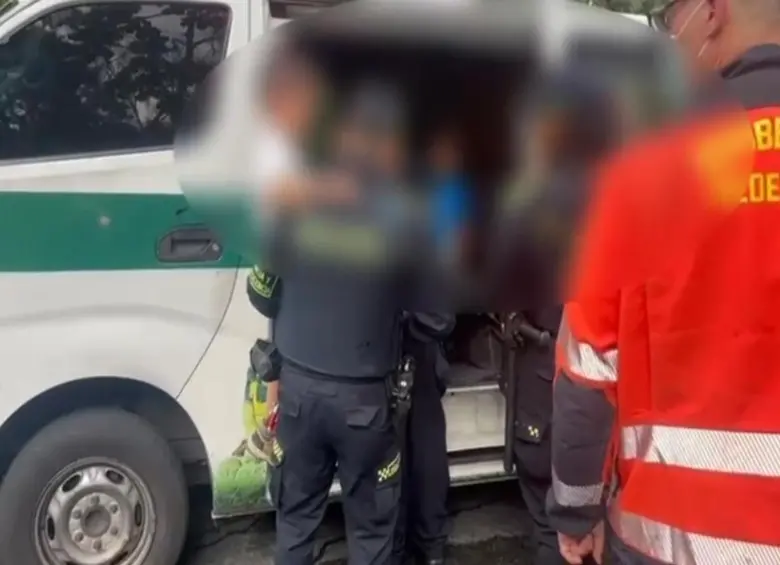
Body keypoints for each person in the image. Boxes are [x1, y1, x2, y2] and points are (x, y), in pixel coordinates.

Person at [547, 1, 780, 564]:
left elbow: (589, 367)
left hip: (672, 536)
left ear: (712, 12)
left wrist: (576, 513)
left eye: (670, 17)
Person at [270, 82, 416, 565]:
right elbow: (434, 316)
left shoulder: (290, 201)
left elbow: (259, 291)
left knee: (295, 520)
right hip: (363, 403)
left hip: (298, 392)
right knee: (372, 532)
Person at [394, 310, 454, 565]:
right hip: (420, 347)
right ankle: (430, 546)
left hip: (381, 353)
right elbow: (441, 318)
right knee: (424, 446)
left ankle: (403, 545)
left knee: (395, 451)